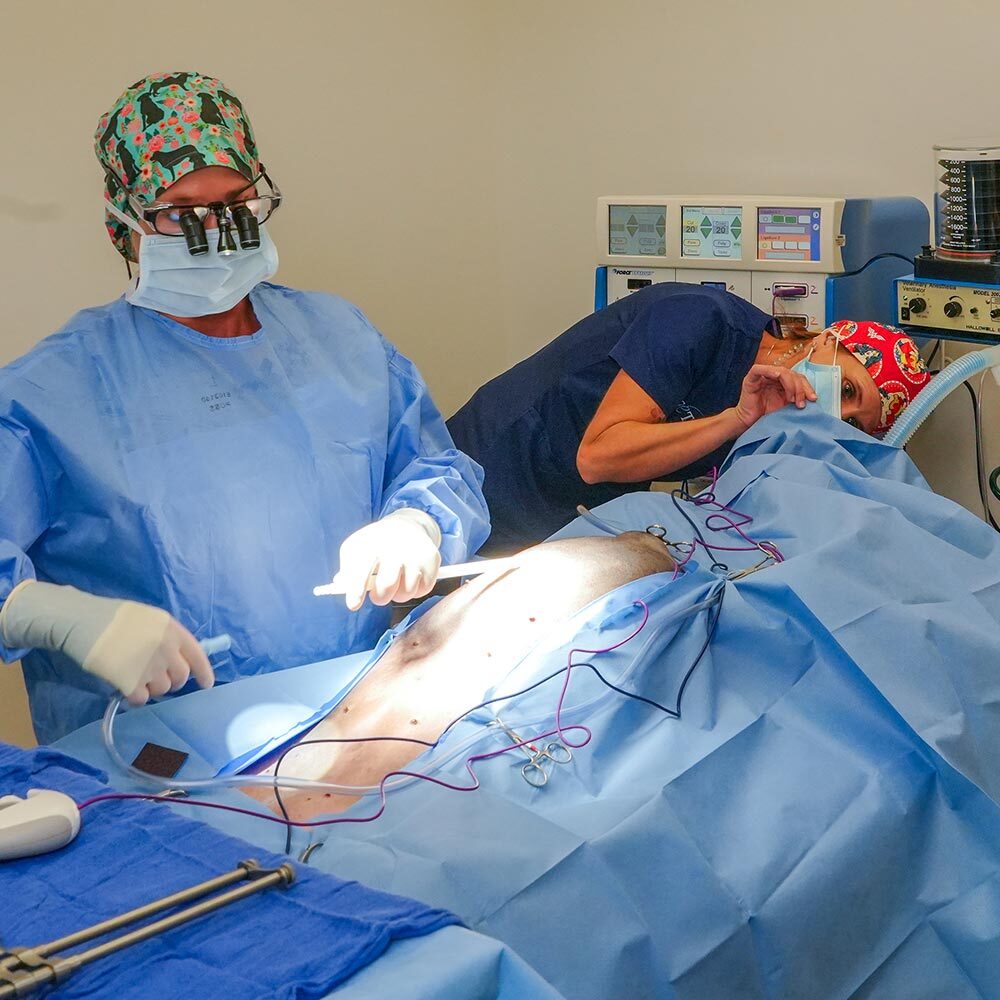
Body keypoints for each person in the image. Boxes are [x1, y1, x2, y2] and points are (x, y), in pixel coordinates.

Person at [0, 71, 489, 743]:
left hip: (360, 721)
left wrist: (416, 523)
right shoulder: (52, 393)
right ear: (125, 223)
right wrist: (49, 614)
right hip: (154, 761)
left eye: (237, 200)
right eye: (180, 211)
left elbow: (438, 468)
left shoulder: (340, 338)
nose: (217, 232)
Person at [448, 284, 930, 552]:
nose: (836, 413)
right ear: (829, 340)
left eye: (853, 423)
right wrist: (736, 419)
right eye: (847, 389)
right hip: (487, 472)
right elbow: (598, 458)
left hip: (564, 520)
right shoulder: (699, 321)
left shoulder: (781, 415)